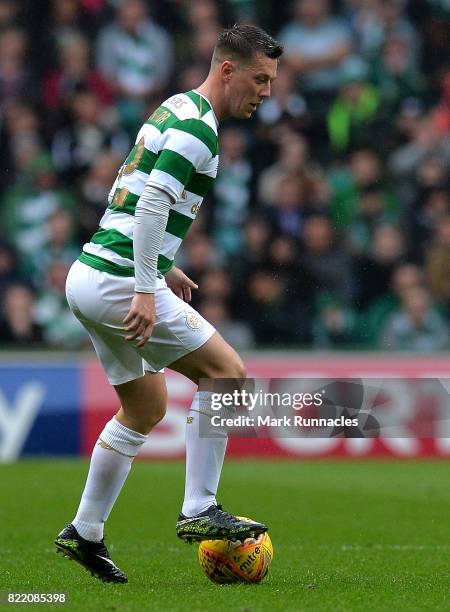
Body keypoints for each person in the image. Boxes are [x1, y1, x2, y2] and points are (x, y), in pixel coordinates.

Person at [54, 24, 282, 584]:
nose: (267, 92)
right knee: (227, 374)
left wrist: (161, 263)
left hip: (87, 274)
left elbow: (125, 190)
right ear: (227, 70)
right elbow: (153, 200)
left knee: (145, 408)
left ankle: (85, 531)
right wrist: (143, 285)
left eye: (272, 82)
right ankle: (199, 506)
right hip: (117, 283)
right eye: (260, 79)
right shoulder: (198, 130)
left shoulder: (173, 107)